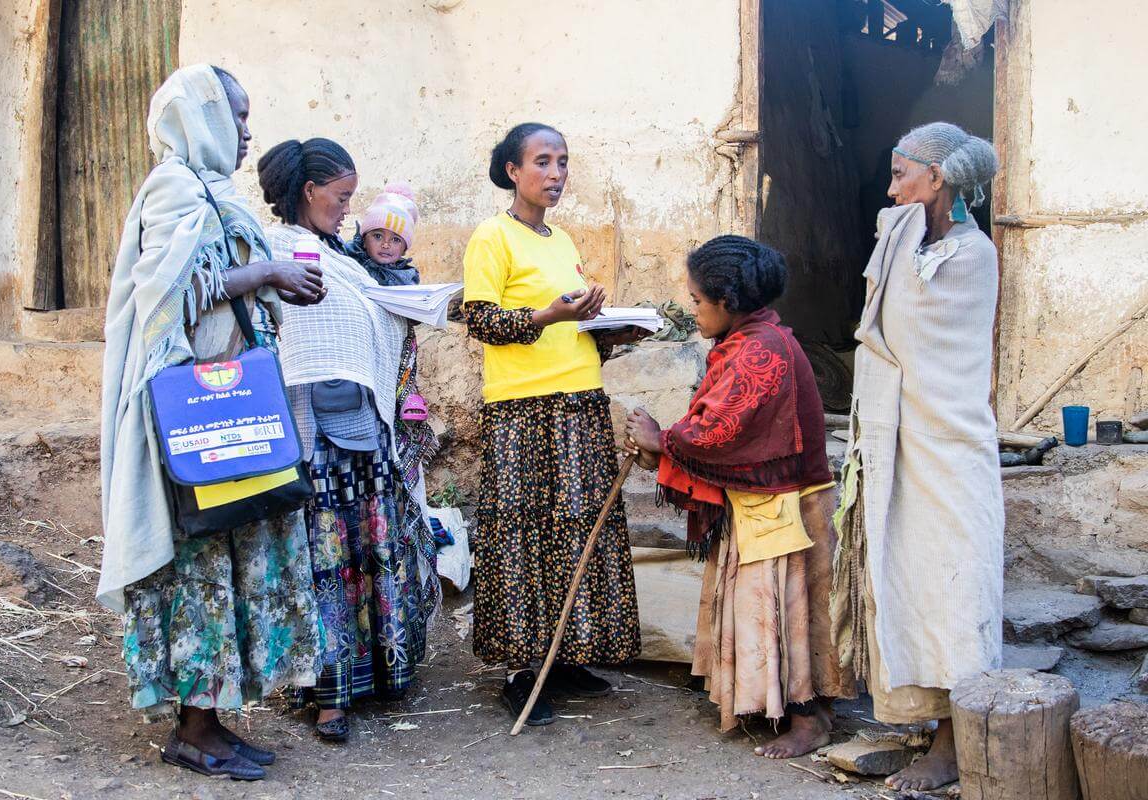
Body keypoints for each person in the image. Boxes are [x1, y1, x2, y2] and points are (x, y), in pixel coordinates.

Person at [98, 64, 326, 781]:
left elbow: (225, 289)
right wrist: (264, 277)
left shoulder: (213, 193)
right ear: (201, 119)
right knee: (200, 564)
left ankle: (214, 720)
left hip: (237, 409)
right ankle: (193, 729)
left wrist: (278, 288)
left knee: (235, 558)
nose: (248, 132)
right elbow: (164, 300)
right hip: (193, 418)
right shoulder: (172, 187)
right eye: (236, 116)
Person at [625, 236, 856, 757]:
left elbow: (718, 433)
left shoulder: (761, 352)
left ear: (727, 302)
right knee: (781, 612)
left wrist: (661, 440)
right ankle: (783, 702)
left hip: (786, 509)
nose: (693, 309)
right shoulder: (748, 341)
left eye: (697, 301)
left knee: (788, 613)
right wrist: (660, 446)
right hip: (765, 504)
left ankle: (808, 716)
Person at [829, 122, 1003, 792]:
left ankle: (956, 742)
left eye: (903, 174)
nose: (891, 188)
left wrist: (896, 238)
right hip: (900, 441)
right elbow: (882, 324)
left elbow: (910, 335)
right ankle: (922, 724)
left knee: (954, 588)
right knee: (908, 582)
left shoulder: (971, 253)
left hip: (948, 445)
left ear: (937, 179)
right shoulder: (910, 240)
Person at [257, 139, 440, 743]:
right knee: (327, 558)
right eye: (340, 198)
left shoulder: (344, 255)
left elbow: (364, 318)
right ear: (309, 193)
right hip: (316, 435)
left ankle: (385, 672)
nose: (346, 210)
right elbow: (296, 337)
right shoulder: (280, 249)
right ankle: (329, 695)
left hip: (367, 427)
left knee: (374, 545)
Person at [462, 122, 645, 725]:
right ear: (512, 170)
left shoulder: (562, 240)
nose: (556, 173)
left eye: (563, 161)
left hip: (580, 402)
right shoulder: (493, 236)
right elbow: (484, 321)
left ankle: (565, 655)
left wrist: (606, 332)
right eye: (542, 161)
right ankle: (521, 669)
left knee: (576, 526)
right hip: (522, 407)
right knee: (523, 531)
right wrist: (549, 313)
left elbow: (568, 331)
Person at [343, 182, 439, 489]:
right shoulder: (351, 265)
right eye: (377, 236)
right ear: (364, 237)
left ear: (405, 247)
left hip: (398, 351)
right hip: (362, 350)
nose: (385, 245)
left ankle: (407, 403)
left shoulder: (407, 277)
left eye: (395, 239)